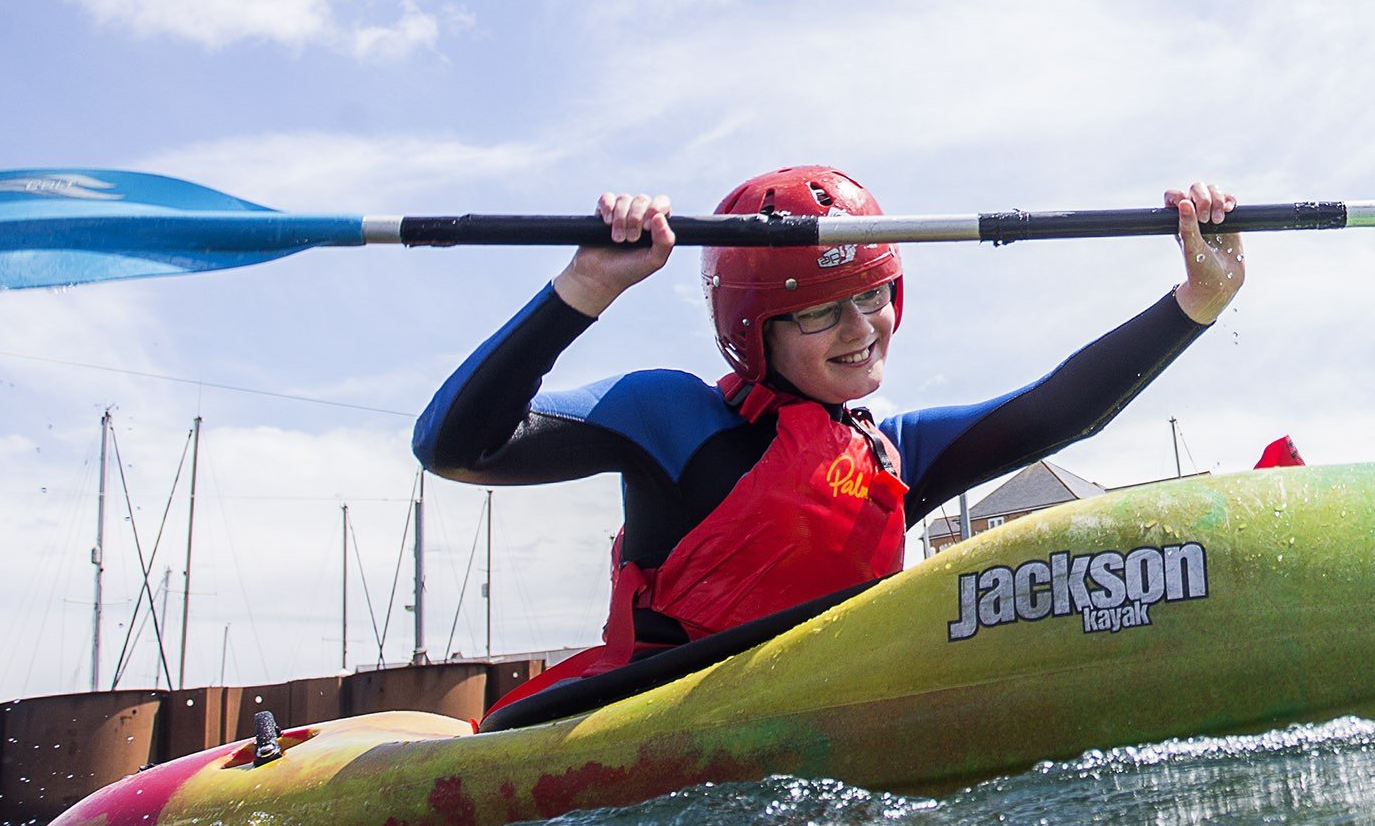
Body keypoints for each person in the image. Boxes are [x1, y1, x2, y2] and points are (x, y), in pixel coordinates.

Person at [414, 165, 1244, 713]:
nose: (862, 328)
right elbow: (455, 444)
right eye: (819, 310)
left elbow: (1061, 409)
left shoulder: (894, 457)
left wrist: (1197, 299)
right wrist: (583, 286)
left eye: (875, 293)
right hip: (651, 722)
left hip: (820, 731)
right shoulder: (667, 416)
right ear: (754, 326)